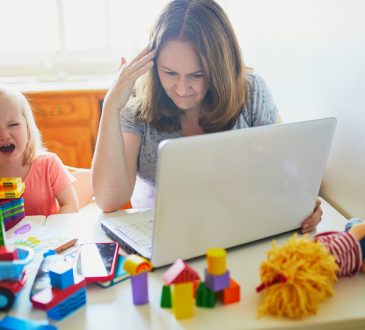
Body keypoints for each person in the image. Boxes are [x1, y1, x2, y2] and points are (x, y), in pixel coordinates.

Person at [92, 0, 322, 233]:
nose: (182, 88)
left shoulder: (251, 91)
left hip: (239, 228)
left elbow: (283, 167)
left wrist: (301, 199)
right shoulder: (136, 106)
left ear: (220, 68)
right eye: (170, 73)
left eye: (197, 75)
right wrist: (111, 107)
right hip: (162, 235)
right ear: (152, 64)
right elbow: (109, 200)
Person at [0, 84, 78, 216]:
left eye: (13, 125)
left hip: (48, 235)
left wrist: (49, 230)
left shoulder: (48, 165)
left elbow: (71, 206)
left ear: (28, 129)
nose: (4, 135)